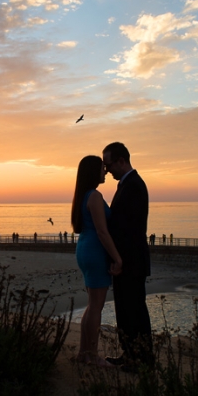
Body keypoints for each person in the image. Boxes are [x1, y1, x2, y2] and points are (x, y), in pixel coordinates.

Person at [102, 141, 154, 371]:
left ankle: (140, 358)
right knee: (126, 309)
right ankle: (131, 354)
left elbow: (127, 229)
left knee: (134, 311)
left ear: (121, 161)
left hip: (131, 261)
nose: (106, 169)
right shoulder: (128, 184)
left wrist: (118, 259)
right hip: (128, 260)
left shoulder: (133, 185)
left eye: (108, 164)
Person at [71, 155, 122, 367]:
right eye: (102, 168)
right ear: (93, 172)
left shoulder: (83, 196)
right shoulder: (94, 196)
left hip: (85, 248)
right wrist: (118, 258)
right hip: (94, 251)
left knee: (92, 305)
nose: (105, 172)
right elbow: (102, 232)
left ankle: (84, 353)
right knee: (96, 307)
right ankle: (92, 354)